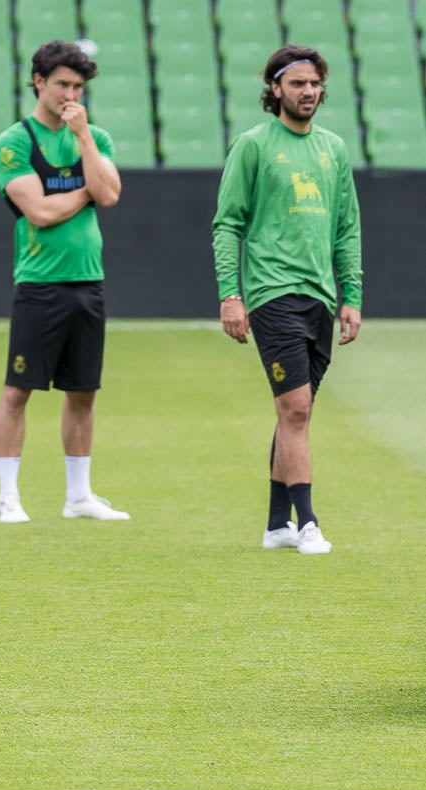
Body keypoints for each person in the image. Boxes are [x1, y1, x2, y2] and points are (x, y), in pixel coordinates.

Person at [211, 45, 362, 555]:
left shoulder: (334, 148)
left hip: (319, 296)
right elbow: (227, 223)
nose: (309, 92)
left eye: (315, 83)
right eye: (297, 83)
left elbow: (347, 228)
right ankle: (308, 523)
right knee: (295, 408)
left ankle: (276, 524)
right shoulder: (253, 145)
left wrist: (351, 294)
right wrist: (232, 295)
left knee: (295, 412)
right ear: (275, 88)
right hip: (272, 293)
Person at [0, 40, 126, 524]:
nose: (71, 94)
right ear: (39, 83)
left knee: (83, 391)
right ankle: (8, 497)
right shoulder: (15, 141)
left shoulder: (94, 136)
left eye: (78, 86)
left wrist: (84, 138)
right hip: (39, 284)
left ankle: (79, 496)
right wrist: (88, 191)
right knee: (18, 390)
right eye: (63, 84)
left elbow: (110, 195)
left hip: (88, 282)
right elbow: (41, 212)